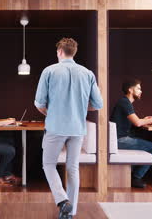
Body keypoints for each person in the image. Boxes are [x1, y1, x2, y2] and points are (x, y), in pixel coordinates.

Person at [35, 38, 103, 219]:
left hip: (55, 127)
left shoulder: (49, 71)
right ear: (73, 52)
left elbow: (40, 103)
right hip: (77, 128)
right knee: (73, 168)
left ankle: (63, 201)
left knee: (48, 164)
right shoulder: (88, 73)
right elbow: (98, 104)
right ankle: (70, 213)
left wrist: (51, 111)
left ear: (59, 52)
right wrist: (79, 107)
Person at [110, 79, 152, 188]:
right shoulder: (124, 102)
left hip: (120, 138)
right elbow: (137, 123)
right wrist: (149, 121)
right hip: (119, 140)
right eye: (138, 88)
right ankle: (136, 177)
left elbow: (135, 121)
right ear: (130, 89)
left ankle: (134, 176)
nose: (140, 91)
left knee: (151, 145)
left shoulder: (125, 102)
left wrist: (144, 119)